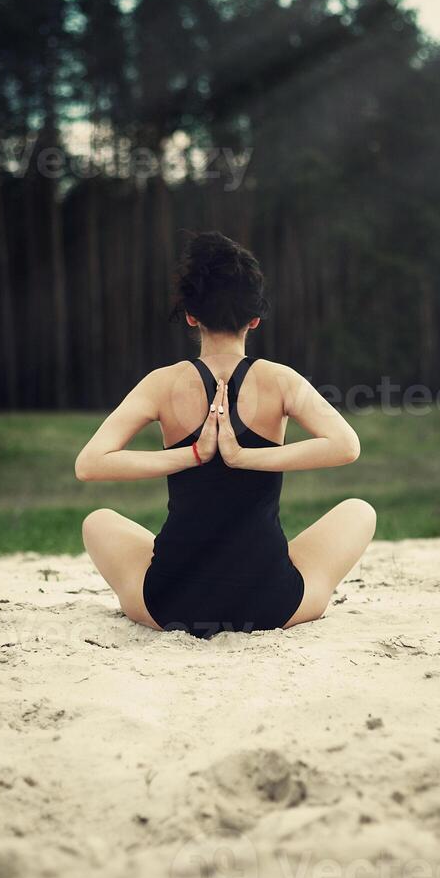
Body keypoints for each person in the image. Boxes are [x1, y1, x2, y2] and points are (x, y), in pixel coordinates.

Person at [75, 232, 376, 638]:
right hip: (270, 601)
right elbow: (346, 446)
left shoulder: (160, 384)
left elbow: (89, 465)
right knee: (360, 511)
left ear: (191, 315)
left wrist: (192, 456)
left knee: (98, 521)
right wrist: (242, 456)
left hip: (171, 602)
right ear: (254, 319)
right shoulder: (280, 380)